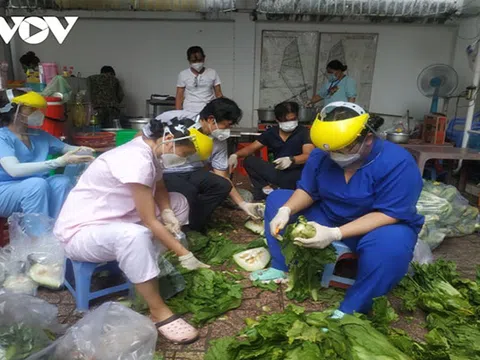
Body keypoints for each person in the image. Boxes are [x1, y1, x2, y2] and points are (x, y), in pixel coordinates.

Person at [251, 101, 424, 316]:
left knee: (392, 246)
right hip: (328, 214)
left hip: (374, 227)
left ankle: (352, 308)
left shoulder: (398, 163)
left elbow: (390, 213)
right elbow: (307, 190)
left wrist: (335, 233)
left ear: (367, 140)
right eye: (329, 150)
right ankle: (281, 266)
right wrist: (286, 209)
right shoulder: (321, 155)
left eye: (341, 149)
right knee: (278, 199)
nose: (333, 155)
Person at [54, 118, 214, 344]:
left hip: (118, 216)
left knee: (178, 202)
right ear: (168, 140)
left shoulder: (151, 149)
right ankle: (158, 310)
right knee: (134, 235)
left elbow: (159, 186)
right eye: (185, 154)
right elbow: (149, 220)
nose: (184, 160)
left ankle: (152, 265)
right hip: (84, 231)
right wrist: (183, 253)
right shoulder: (136, 159)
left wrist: (167, 211)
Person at [157, 98, 264, 231]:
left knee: (221, 185)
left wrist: (243, 204)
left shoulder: (218, 140)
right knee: (189, 191)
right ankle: (179, 226)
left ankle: (195, 224)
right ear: (211, 119)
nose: (228, 129)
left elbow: (222, 175)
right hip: (166, 171)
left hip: (194, 171)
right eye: (227, 125)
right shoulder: (175, 119)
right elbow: (143, 136)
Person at [0, 90, 94, 219]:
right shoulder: (2, 137)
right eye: (30, 109)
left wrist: (88, 151)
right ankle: (36, 236)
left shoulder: (39, 135)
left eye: (37, 109)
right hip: (5, 190)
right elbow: (14, 170)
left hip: (37, 186)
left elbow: (66, 148)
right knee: (36, 184)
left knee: (61, 182)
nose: (37, 113)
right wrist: (58, 162)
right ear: (14, 111)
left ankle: (56, 230)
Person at [228, 101, 314, 200]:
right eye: (285, 120)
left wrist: (291, 160)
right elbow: (251, 148)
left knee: (291, 187)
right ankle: (265, 191)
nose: (290, 123)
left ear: (297, 117)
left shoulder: (303, 132)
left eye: (293, 119)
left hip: (298, 174)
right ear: (277, 120)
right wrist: (235, 155)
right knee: (250, 161)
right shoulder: (271, 133)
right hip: (278, 171)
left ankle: (283, 191)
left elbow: (308, 155)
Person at [175, 46, 223, 113]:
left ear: (204, 58)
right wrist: (178, 113)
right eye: (194, 61)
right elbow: (179, 96)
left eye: (200, 60)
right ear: (189, 60)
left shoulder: (212, 73)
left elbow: (219, 94)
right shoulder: (183, 74)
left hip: (208, 110)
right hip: (189, 110)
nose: (197, 63)